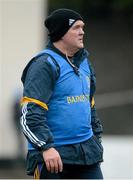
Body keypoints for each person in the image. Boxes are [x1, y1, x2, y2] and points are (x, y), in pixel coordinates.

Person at [20, 8, 104, 179]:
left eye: (83, 27)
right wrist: (46, 147)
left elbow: (90, 106)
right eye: (76, 28)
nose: (82, 32)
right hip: (53, 156)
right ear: (61, 32)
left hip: (86, 153)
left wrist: (96, 139)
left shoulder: (85, 63)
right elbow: (30, 113)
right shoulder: (44, 64)